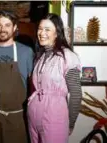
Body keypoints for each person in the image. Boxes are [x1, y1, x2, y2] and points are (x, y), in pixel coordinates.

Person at [27, 13, 82, 143]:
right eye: (40, 29)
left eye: (47, 29)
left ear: (57, 33)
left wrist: (70, 123)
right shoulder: (39, 57)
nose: (42, 33)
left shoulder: (67, 56)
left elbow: (76, 93)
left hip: (54, 117)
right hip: (33, 116)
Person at [0, 10, 34, 143]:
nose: (2, 29)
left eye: (7, 25)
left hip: (17, 117)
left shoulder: (26, 52)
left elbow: (34, 85)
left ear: (15, 27)